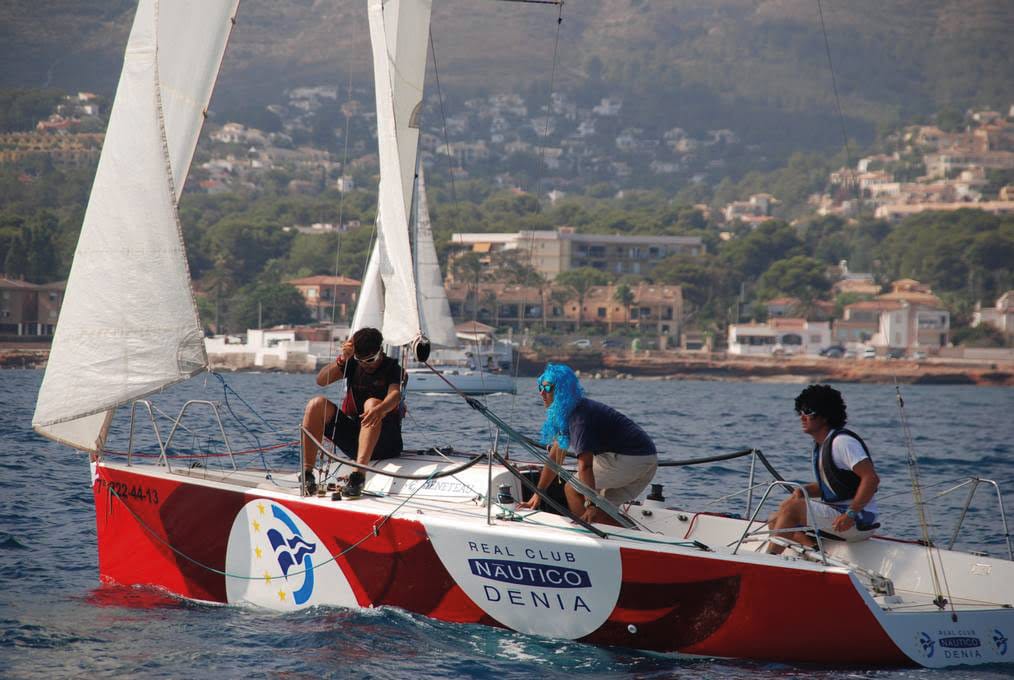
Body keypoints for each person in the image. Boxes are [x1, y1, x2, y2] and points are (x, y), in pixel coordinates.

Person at [517, 363, 658, 526]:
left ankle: (590, 533)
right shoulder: (573, 411)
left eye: (548, 388)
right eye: (540, 387)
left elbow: (586, 466)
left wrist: (589, 504)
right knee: (603, 511)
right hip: (645, 459)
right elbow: (555, 457)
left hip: (629, 460)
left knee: (573, 489)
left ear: (562, 390)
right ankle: (634, 540)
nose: (542, 393)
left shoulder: (579, 419)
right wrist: (538, 493)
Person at [767, 384, 880, 554]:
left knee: (792, 510)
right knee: (775, 518)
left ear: (825, 416)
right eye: (800, 412)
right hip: (839, 513)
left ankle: (770, 559)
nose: (802, 417)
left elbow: (871, 479)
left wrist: (850, 514)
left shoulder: (842, 442)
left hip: (858, 519)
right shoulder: (822, 445)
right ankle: (813, 551)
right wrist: (803, 491)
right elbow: (835, 485)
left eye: (808, 412)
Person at [301, 327, 404, 498]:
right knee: (316, 404)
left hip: (386, 442)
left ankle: (358, 477)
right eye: (360, 360)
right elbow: (321, 380)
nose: (365, 365)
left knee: (371, 403)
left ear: (381, 351)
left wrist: (381, 409)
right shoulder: (352, 364)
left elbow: (395, 395)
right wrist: (343, 359)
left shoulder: (393, 368)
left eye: (370, 360)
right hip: (356, 439)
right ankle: (307, 474)